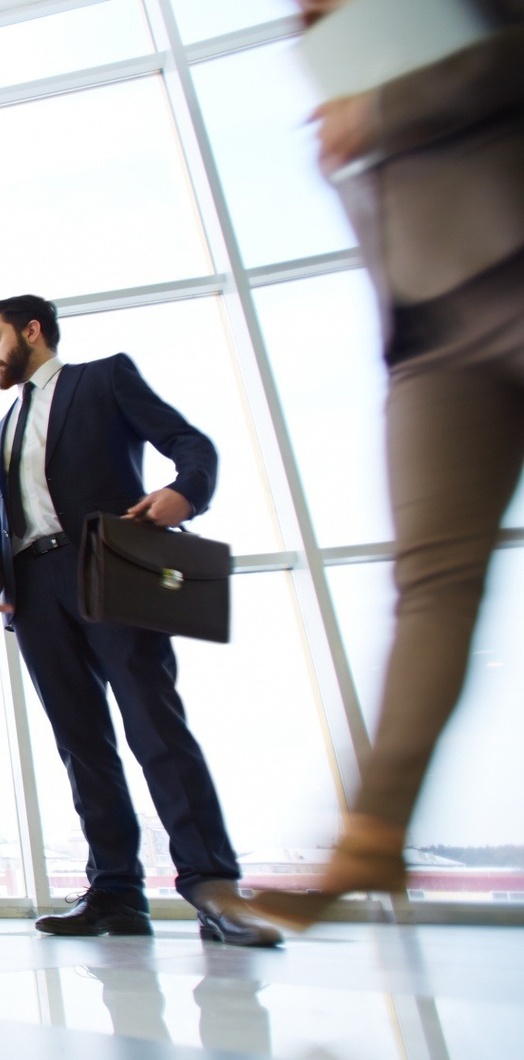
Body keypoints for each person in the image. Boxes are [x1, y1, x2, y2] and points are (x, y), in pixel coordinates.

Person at [253, 1, 524, 930]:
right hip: (430, 332)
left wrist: (390, 107)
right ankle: (372, 834)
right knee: (432, 585)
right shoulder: (324, 33)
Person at [0, 295, 281, 949]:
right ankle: (115, 892)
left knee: (154, 726)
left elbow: (190, 444)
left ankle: (212, 887)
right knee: (81, 745)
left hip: (110, 569)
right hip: (35, 594)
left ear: (32, 332)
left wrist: (184, 491)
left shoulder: (105, 378)